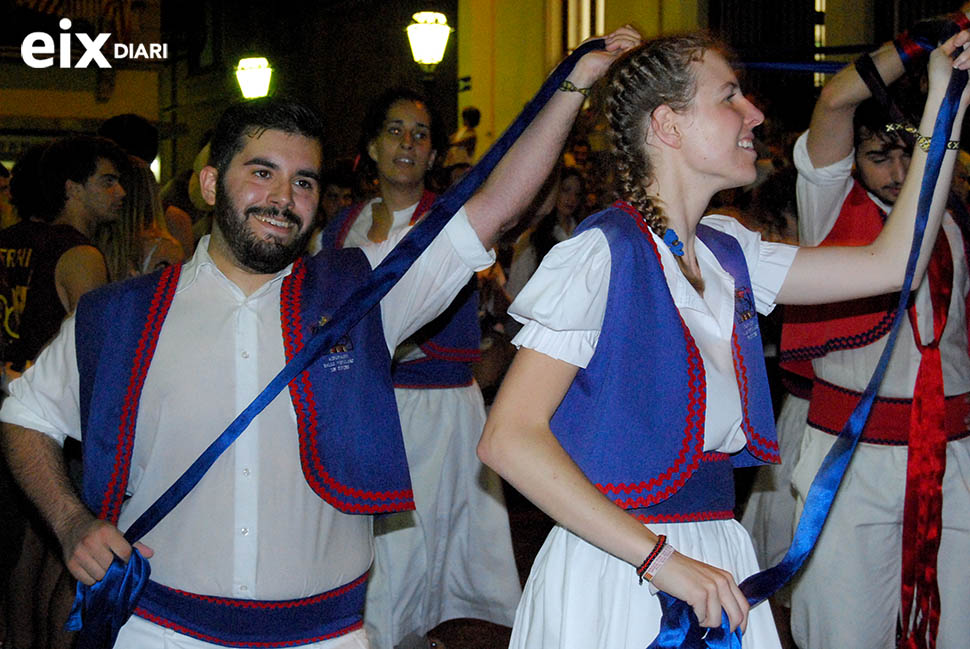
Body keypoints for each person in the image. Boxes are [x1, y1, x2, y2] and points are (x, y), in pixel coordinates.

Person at [0, 27, 640, 649]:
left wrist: (574, 82)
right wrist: (69, 520)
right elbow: (25, 414)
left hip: (326, 637)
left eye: (303, 181)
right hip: (161, 632)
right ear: (207, 183)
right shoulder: (121, 315)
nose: (284, 197)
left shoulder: (360, 298)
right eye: (261, 173)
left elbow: (492, 208)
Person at [477, 29, 970, 649]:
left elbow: (893, 263)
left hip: (716, 549)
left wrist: (943, 112)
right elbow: (508, 438)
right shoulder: (602, 254)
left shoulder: (730, 252)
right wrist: (660, 560)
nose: (755, 114)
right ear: (668, 125)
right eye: (729, 96)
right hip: (618, 561)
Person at [771, 12, 970, 649]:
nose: (893, 168)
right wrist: (919, 45)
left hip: (955, 453)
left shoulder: (955, 215)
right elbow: (836, 100)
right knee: (844, 632)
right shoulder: (829, 207)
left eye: (906, 152)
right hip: (851, 457)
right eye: (875, 154)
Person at [315, 86, 521, 649]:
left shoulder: (457, 224)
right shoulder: (340, 230)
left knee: (419, 549)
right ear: (372, 148)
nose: (407, 142)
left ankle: (402, 638)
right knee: (377, 548)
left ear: (433, 155)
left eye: (420, 134)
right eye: (395, 130)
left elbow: (498, 308)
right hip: (369, 410)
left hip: (438, 411)